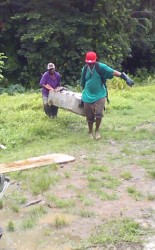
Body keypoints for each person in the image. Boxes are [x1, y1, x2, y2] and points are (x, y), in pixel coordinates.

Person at [80, 51, 134, 140]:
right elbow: (82, 82)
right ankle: (90, 131)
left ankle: (97, 130)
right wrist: (83, 95)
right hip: (87, 95)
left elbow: (112, 72)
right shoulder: (85, 69)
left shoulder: (100, 67)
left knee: (99, 114)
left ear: (95, 60)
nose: (90, 64)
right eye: (88, 63)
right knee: (89, 117)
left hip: (100, 94)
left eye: (92, 62)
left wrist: (125, 77)